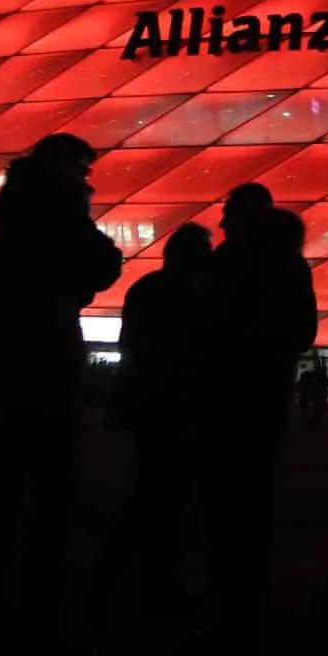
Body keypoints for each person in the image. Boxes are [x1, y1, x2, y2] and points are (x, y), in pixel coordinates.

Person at [0, 134, 123, 656]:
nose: (87, 183)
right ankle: (31, 617)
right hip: (38, 376)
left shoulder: (7, 227)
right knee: (45, 499)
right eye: (82, 173)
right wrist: (78, 216)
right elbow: (101, 266)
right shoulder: (54, 219)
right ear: (63, 174)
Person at [193, 186, 318, 656]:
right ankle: (246, 593)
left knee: (221, 492)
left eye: (228, 217)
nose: (222, 225)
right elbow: (302, 330)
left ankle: (227, 595)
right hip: (265, 391)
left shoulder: (227, 264)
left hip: (222, 392)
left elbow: (201, 325)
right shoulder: (289, 264)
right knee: (252, 489)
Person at [88, 221, 211, 634]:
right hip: (175, 402)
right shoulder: (194, 296)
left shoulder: (146, 289)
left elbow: (130, 344)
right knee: (164, 493)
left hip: (148, 399)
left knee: (154, 487)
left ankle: (119, 571)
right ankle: (145, 577)